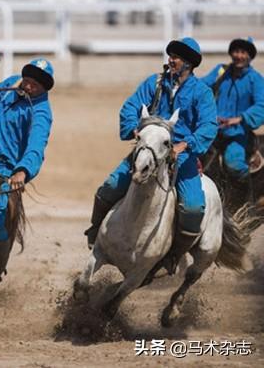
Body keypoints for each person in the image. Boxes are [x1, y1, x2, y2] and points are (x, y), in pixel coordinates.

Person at [84, 37, 218, 275]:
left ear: (189, 64)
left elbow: (208, 126)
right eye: (171, 55)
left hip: (181, 158)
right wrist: (134, 129)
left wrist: (185, 145)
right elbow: (130, 107)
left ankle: (173, 255)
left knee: (194, 208)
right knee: (109, 187)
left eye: (177, 57)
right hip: (147, 151)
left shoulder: (202, 92)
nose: (172, 60)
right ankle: (95, 233)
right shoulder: (154, 83)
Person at [0, 58, 54, 291]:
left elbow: (36, 145)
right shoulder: (12, 84)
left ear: (44, 88)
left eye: (35, 85)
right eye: (27, 80)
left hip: (2, 169)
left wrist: (22, 171)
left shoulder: (41, 112)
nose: (28, 86)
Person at [200, 37, 264, 183]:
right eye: (236, 51)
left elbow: (262, 105)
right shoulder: (221, 71)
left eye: (243, 52)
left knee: (234, 165)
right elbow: (202, 87)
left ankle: (246, 194)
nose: (239, 56)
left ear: (249, 56)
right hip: (213, 129)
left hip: (238, 133)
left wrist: (240, 118)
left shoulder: (256, 79)